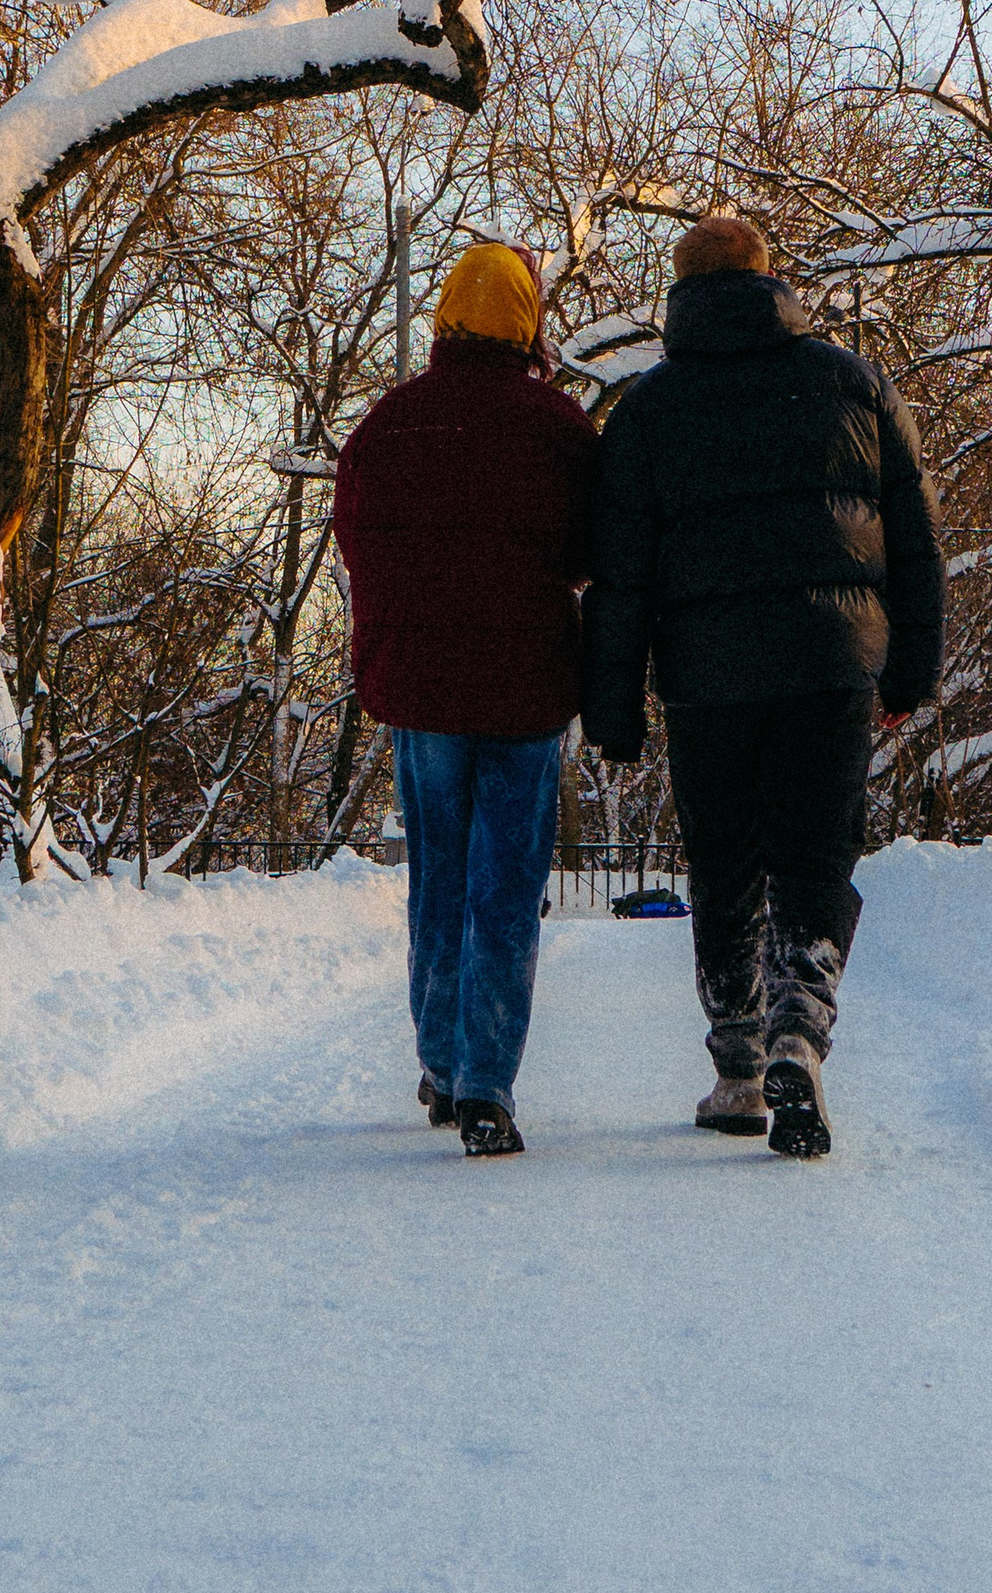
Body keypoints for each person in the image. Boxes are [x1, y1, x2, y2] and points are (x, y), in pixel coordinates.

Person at [581, 215, 943, 1160]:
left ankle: (739, 1065)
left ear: (681, 291)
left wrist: (612, 707)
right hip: (832, 664)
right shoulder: (853, 382)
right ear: (769, 281)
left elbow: (620, 576)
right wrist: (911, 667)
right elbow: (915, 540)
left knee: (726, 863)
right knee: (815, 855)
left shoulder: (648, 410)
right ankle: (800, 1028)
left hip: (706, 676)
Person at [332, 242, 598, 1158]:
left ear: (444, 316)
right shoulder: (557, 427)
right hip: (524, 692)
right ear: (526, 322)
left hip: (424, 691)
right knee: (507, 888)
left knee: (436, 876)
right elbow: (585, 556)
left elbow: (357, 542)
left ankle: (441, 1065)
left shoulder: (389, 424)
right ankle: (488, 1086)